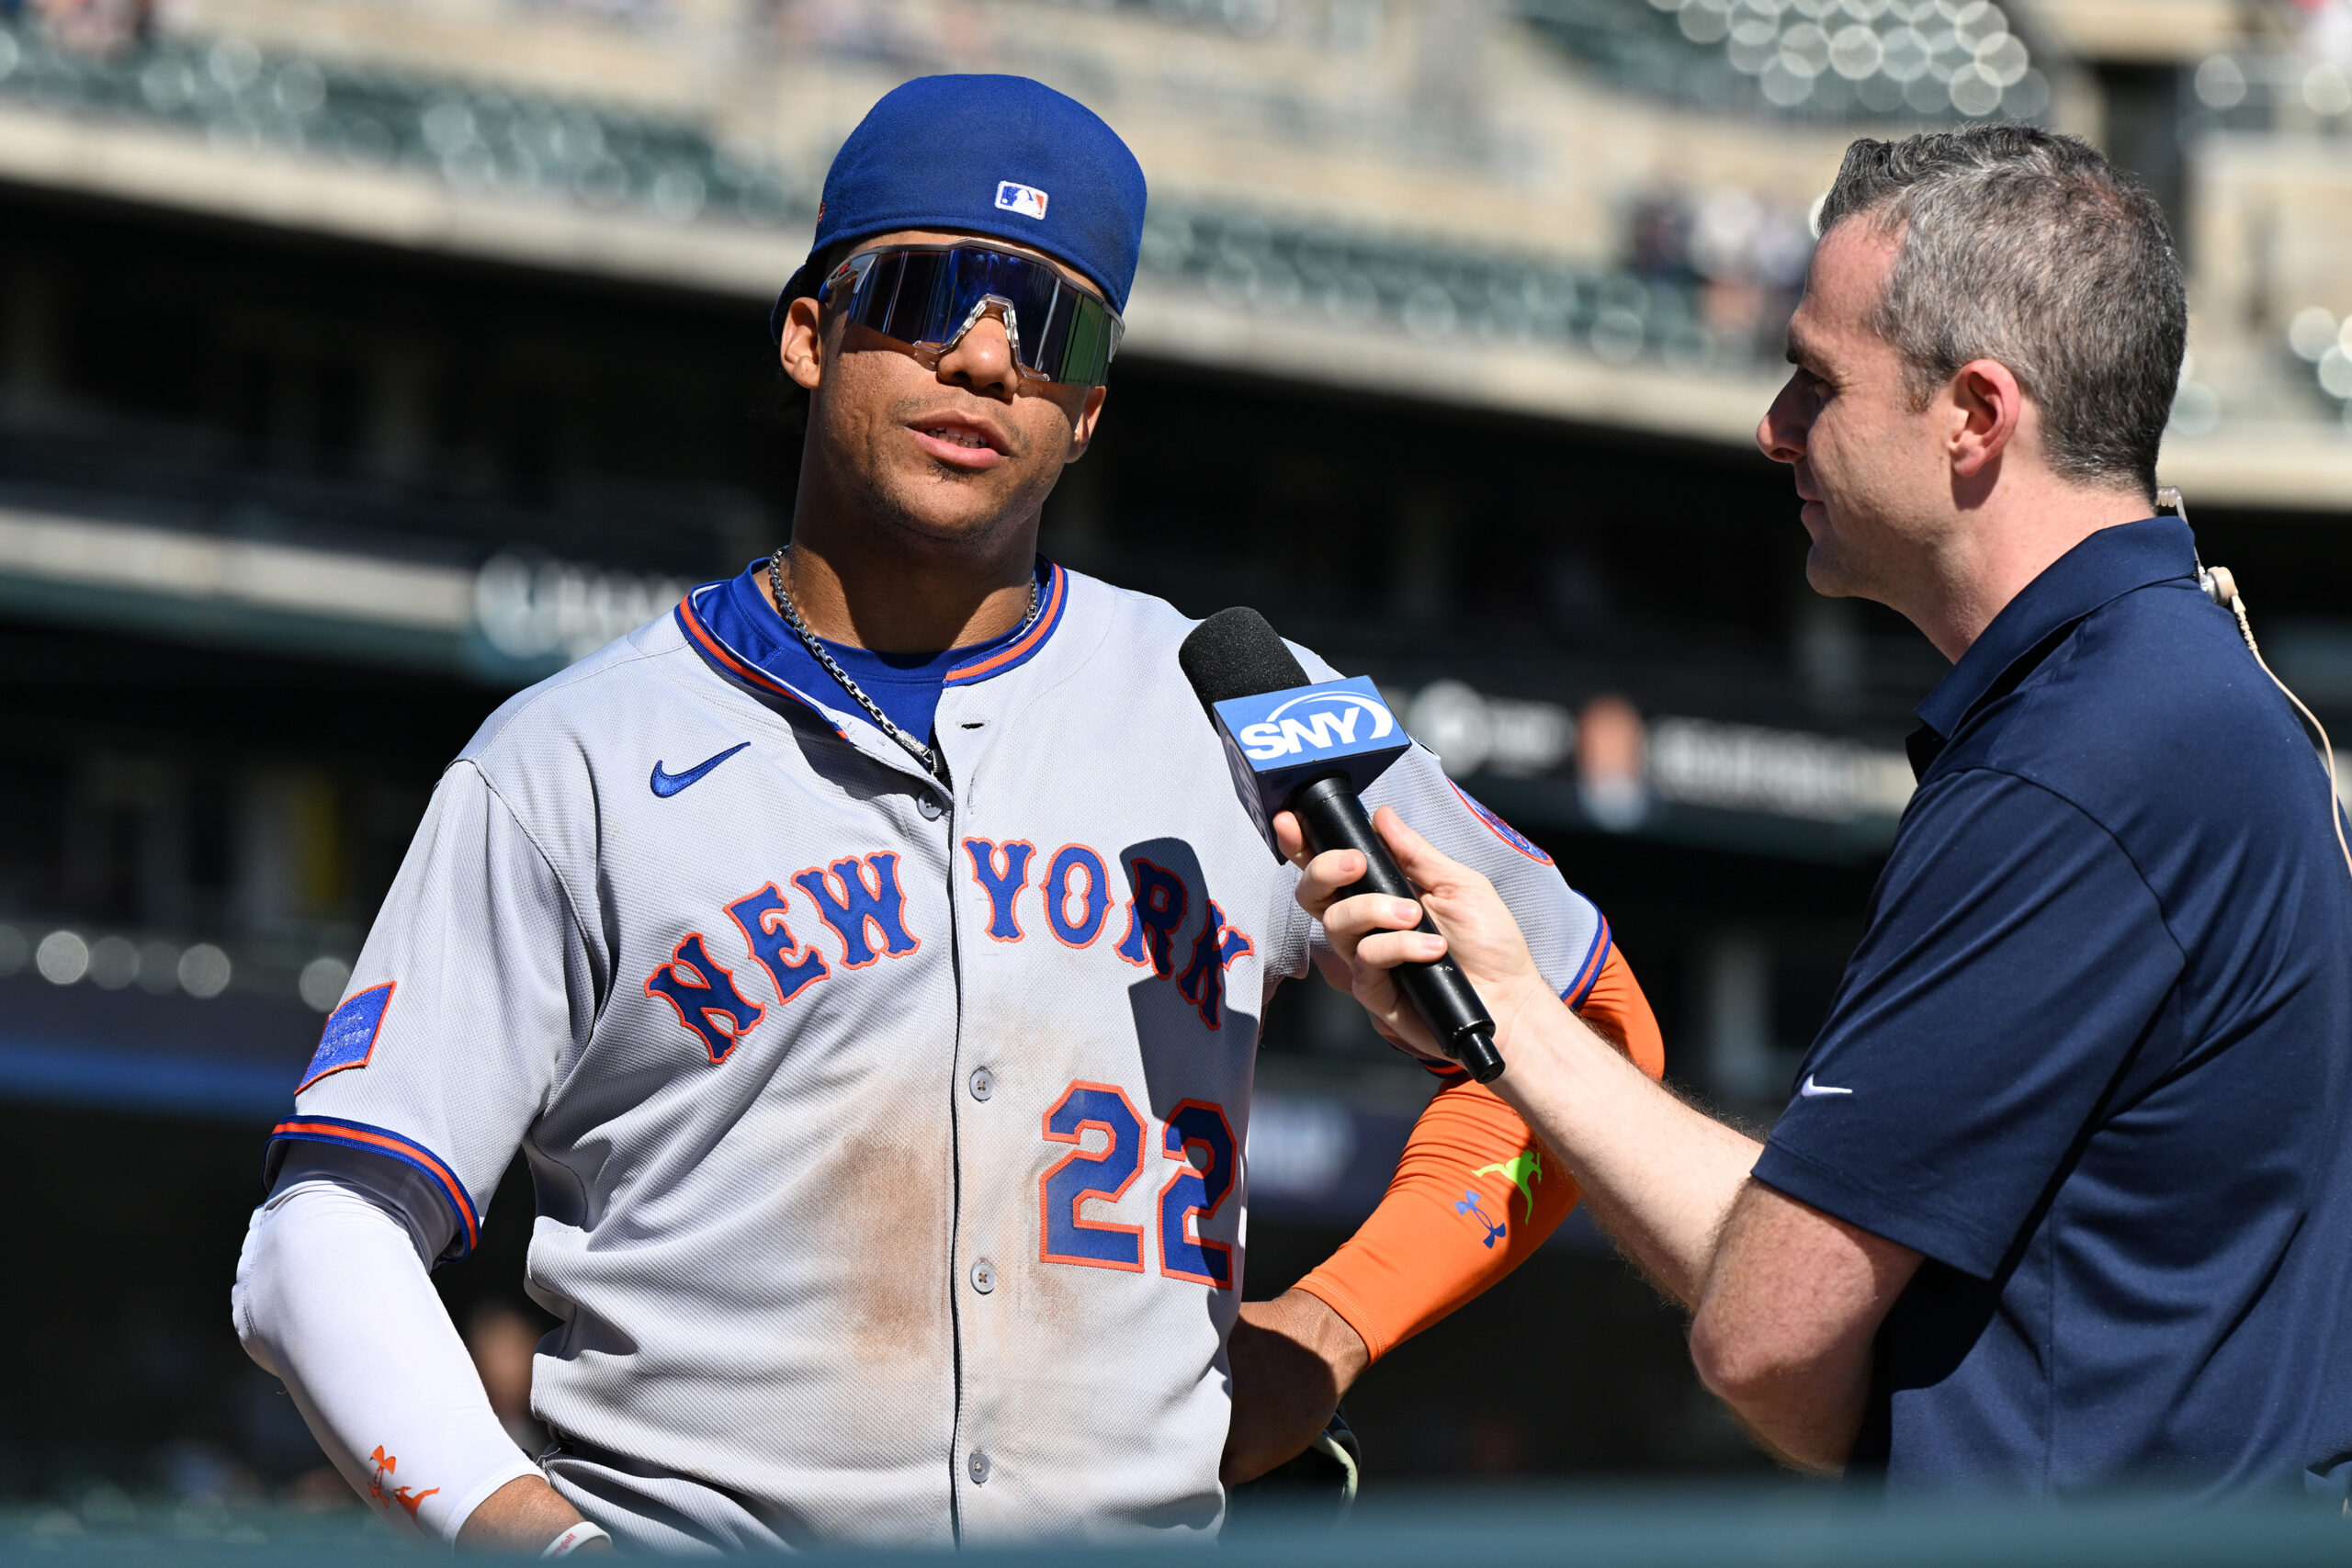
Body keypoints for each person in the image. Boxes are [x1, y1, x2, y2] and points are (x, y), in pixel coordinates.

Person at [231, 73, 1663, 1551]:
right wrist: (539, 1544)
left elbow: (1590, 1030)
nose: (985, 359)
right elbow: (321, 1236)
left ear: (1090, 409)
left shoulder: (1264, 703)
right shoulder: (566, 756)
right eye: (928, 292)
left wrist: (1333, 1327)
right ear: (809, 332)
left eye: (1052, 328)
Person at [1290, 124, 2352, 1494]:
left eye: (1815, 381)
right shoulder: (2177, 694)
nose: (1773, 426)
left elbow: (1764, 1337)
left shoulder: (2084, 756)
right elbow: (1789, 1274)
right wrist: (1508, 1021)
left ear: (1976, 413)